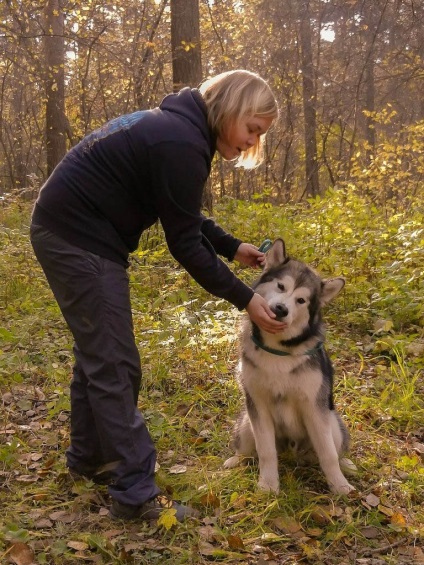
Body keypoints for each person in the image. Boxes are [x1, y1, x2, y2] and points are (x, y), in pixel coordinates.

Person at [30, 69, 285, 522]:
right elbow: (184, 243)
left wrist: (230, 246)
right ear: (231, 107)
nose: (251, 142)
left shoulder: (176, 130)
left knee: (98, 354)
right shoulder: (180, 144)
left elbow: (183, 212)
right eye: (252, 129)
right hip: (78, 238)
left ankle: (90, 459)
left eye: (259, 135)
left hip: (67, 230)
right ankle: (135, 495)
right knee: (114, 363)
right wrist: (246, 298)